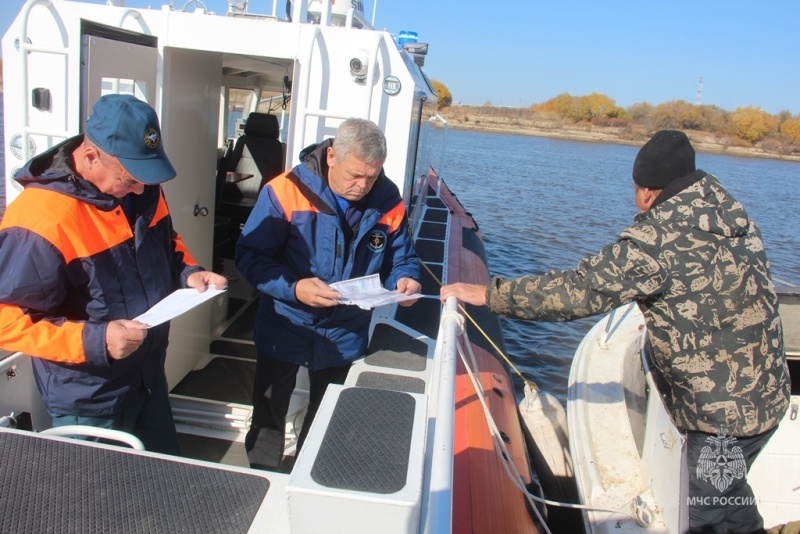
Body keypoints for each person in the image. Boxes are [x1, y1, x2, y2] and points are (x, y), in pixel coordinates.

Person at [440, 130, 790, 533]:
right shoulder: (729, 209)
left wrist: (490, 294)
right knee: (730, 495)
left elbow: (578, 291)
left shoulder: (658, 241)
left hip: (721, 416)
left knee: (709, 515)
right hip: (769, 393)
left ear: (647, 192)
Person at [0, 94, 227, 454]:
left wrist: (189, 273)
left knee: (160, 481)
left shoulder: (143, 187)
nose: (139, 187)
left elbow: (168, 243)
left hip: (148, 378)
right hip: (89, 400)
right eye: (129, 178)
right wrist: (98, 340)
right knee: (93, 504)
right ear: (91, 157)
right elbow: (6, 322)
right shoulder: (40, 218)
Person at [236, 117, 421, 471]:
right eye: (355, 175)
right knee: (268, 413)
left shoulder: (388, 199)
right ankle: (262, 476)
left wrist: (406, 280)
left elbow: (403, 257)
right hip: (285, 323)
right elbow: (251, 256)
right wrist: (294, 288)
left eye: (371, 176)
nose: (363, 185)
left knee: (328, 416)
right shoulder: (284, 191)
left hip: (346, 329)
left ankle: (309, 476)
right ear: (332, 156)